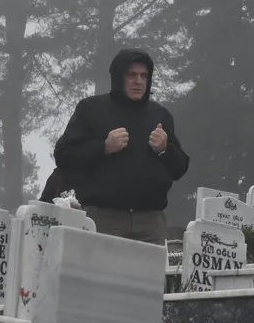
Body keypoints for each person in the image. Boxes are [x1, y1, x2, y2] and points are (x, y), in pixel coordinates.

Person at [53, 48, 189, 245]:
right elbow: (63, 156)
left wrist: (164, 150)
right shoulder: (91, 109)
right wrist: (104, 147)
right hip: (103, 219)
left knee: (150, 268)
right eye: (131, 75)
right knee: (101, 267)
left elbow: (180, 168)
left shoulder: (160, 115)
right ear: (118, 77)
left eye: (144, 75)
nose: (138, 81)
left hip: (150, 223)